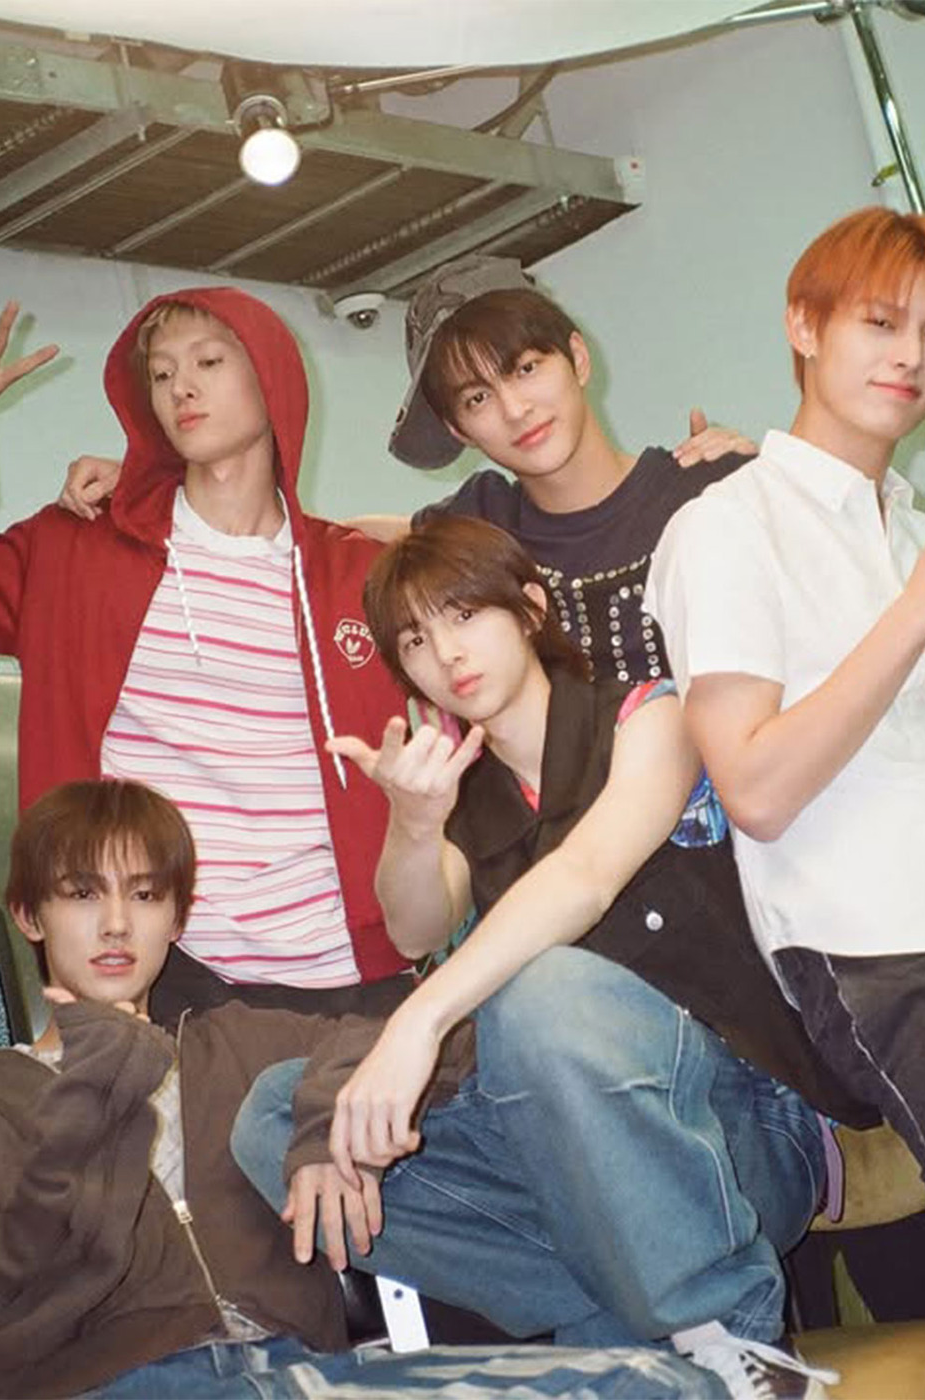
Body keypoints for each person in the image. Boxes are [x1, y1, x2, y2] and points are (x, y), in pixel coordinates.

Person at [232, 516, 858, 1400]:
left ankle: (727, 1327)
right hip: (568, 1166)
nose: (446, 654)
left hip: (737, 1130)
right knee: (276, 1114)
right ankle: (637, 1318)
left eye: (463, 615)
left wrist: (419, 1022)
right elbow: (414, 928)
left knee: (542, 991)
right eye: (415, 640)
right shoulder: (467, 795)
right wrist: (413, 822)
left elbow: (586, 877)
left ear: (529, 609)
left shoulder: (649, 715)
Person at [0, 777, 732, 1400]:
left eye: (146, 894)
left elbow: (443, 1043)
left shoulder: (239, 1044)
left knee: (661, 1384)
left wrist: (316, 1120)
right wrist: (93, 1094)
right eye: (83, 894)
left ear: (177, 919)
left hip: (301, 1372)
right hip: (112, 1385)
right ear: (29, 915)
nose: (117, 924)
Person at [646, 205, 925, 1390]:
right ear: (803, 326)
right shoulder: (725, 529)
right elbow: (755, 786)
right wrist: (917, 609)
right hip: (871, 943)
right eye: (879, 322)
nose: (910, 356)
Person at [0, 291, 413, 1026]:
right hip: (159, 977)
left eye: (209, 362)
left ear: (273, 377)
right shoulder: (76, 548)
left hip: (352, 973)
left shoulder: (360, 574)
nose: (182, 387)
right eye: (162, 373)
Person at [59, 256, 754, 688]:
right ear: (456, 428)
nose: (515, 409)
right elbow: (338, 539)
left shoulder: (709, 488)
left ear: (576, 357)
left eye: (525, 368)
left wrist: (757, 476)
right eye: (477, 398)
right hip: (557, 851)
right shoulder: (481, 524)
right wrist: (169, 486)